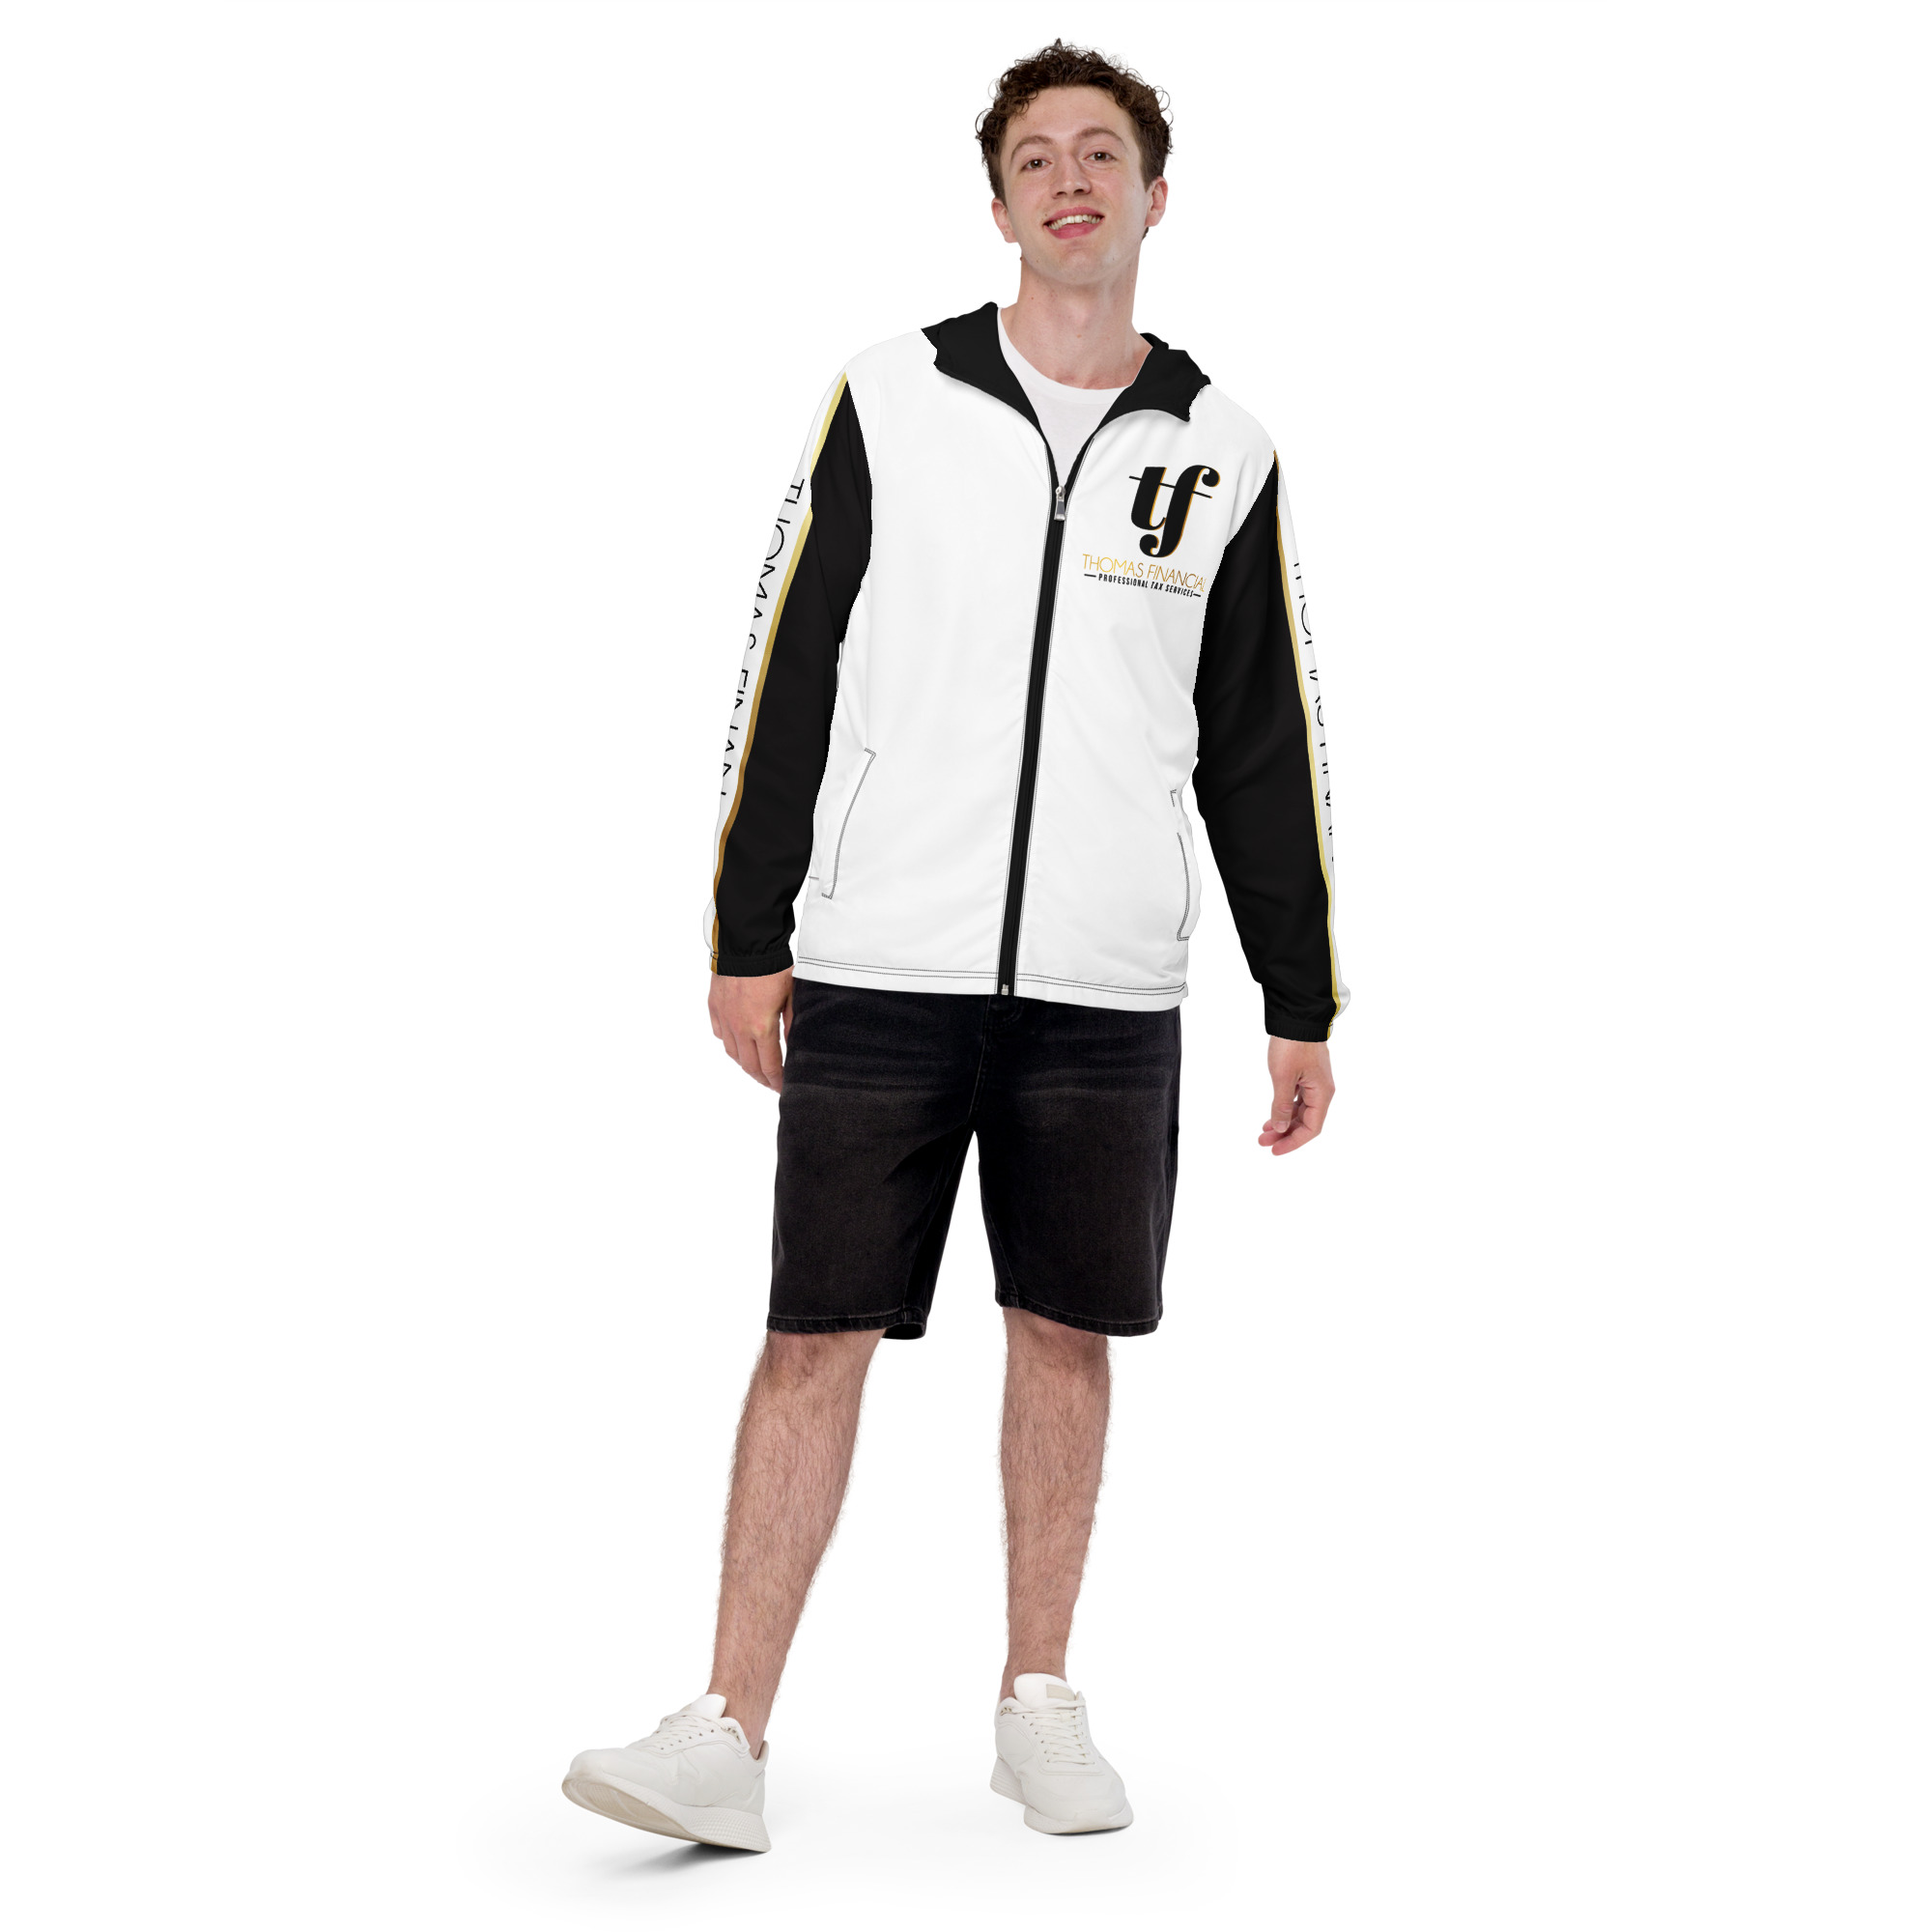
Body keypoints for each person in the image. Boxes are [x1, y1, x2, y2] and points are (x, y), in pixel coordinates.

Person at [562, 39, 1347, 1852]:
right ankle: (724, 1730)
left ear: (1158, 196)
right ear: (998, 204)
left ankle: (1037, 1700)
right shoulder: (890, 397)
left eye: (1103, 153)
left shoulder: (1223, 450)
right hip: (883, 965)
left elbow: (1260, 739)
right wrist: (748, 931)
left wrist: (1297, 996)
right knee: (811, 1334)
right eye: (1037, 157)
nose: (1071, 179)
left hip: (1103, 990)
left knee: (1067, 1336)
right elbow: (789, 666)